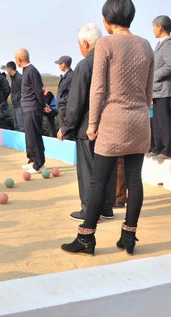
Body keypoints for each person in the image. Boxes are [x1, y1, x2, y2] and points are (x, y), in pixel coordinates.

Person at [61, 0, 154, 256]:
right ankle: (129, 236)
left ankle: (86, 238)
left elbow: (98, 89)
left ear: (106, 19)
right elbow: (149, 92)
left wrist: (92, 125)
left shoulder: (105, 44)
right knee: (135, 180)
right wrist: (140, 110)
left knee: (98, 181)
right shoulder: (146, 45)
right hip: (139, 120)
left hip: (113, 120)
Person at [57, 23, 115, 222]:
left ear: (85, 43)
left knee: (88, 169)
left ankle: (90, 210)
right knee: (107, 166)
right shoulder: (110, 59)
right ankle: (107, 208)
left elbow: (77, 100)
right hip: (109, 122)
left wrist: (66, 126)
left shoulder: (85, 65)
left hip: (88, 126)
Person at [146, 15, 171, 160]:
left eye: (153, 26)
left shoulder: (170, 44)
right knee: (157, 121)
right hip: (158, 90)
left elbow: (170, 66)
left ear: (159, 27)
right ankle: (157, 148)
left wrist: (153, 77)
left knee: (165, 121)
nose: (153, 30)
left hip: (165, 90)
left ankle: (168, 149)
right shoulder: (161, 43)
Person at [15, 48, 49, 174]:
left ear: (19, 59)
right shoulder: (26, 71)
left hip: (33, 109)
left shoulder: (32, 71)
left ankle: (39, 164)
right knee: (30, 136)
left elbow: (38, 91)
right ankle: (34, 160)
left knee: (34, 136)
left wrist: (43, 105)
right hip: (28, 108)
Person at [54, 55, 74, 128]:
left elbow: (72, 93)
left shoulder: (70, 76)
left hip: (65, 108)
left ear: (64, 64)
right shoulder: (67, 76)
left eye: (60, 63)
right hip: (62, 108)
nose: (58, 66)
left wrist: (63, 101)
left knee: (65, 132)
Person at [6, 61, 24, 132]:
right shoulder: (12, 78)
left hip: (20, 104)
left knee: (21, 126)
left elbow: (24, 91)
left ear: (10, 69)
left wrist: (18, 98)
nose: (7, 70)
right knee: (16, 126)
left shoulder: (20, 78)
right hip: (15, 104)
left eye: (7, 69)